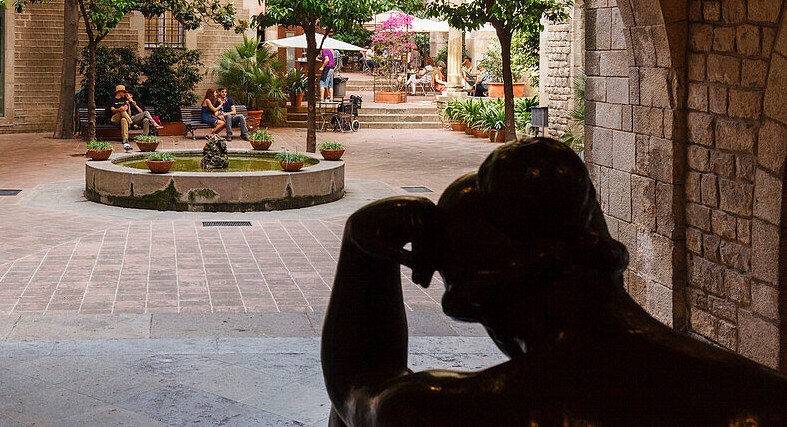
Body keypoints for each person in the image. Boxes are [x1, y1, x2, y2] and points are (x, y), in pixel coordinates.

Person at [321, 138, 787, 426]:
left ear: (480, 296)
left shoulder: (452, 409)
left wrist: (362, 253)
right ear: (597, 242)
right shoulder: (762, 397)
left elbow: (357, 385)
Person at [109, 84, 155, 151]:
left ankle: (125, 140)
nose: (124, 94)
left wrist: (127, 106)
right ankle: (130, 122)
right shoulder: (112, 100)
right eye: (123, 92)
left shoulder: (124, 101)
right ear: (119, 92)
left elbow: (128, 112)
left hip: (124, 117)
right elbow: (112, 110)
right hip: (115, 118)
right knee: (122, 111)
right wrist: (119, 109)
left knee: (124, 120)